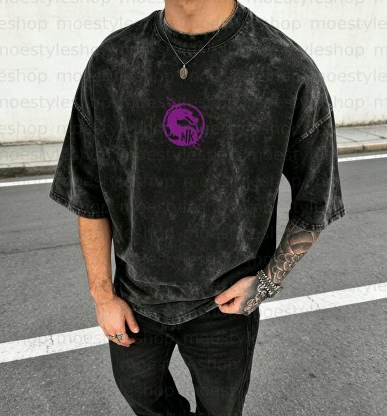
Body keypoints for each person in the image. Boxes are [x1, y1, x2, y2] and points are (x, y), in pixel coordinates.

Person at [48, 0, 346, 414]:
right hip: (134, 301)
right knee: (143, 398)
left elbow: (316, 201)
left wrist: (265, 284)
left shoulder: (285, 68)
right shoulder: (113, 61)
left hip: (225, 308)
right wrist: (103, 296)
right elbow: (87, 191)